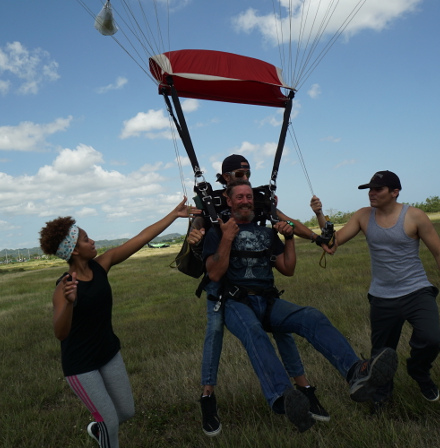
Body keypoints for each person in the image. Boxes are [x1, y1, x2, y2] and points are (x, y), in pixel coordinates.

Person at [203, 180, 398, 432]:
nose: (245, 201)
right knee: (254, 332)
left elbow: (288, 269)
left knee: (311, 316)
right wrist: (228, 238)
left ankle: (356, 372)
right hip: (236, 303)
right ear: (228, 201)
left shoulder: (266, 232)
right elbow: (215, 274)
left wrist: (289, 238)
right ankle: (284, 397)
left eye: (249, 197)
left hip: (268, 301)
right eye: (239, 197)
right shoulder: (217, 232)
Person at [187, 155, 330, 436]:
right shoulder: (213, 202)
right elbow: (197, 225)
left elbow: (288, 221)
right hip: (223, 283)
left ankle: (303, 390)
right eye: (239, 172)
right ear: (225, 177)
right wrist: (194, 234)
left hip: (257, 284)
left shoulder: (255, 200)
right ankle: (207, 396)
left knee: (283, 329)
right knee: (214, 330)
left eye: (248, 172)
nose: (244, 176)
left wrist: (316, 238)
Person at [39, 198, 190, 448]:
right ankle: (104, 432)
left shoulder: (102, 265)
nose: (92, 242)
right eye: (86, 239)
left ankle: (99, 431)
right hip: (81, 366)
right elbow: (60, 333)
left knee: (126, 412)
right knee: (109, 421)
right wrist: (68, 302)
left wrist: (173, 215)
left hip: (108, 353)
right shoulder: (64, 287)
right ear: (74, 250)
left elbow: (139, 239)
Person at [317, 170, 440, 409]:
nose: (372, 194)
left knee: (431, 339)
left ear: (395, 192)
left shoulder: (415, 216)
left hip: (417, 290)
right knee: (381, 354)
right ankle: (381, 398)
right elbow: (332, 243)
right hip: (382, 296)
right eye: (370, 189)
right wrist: (319, 214)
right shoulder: (363, 216)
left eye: (378, 189)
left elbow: (439, 252)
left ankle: (419, 371)